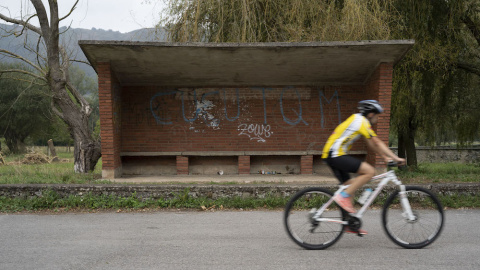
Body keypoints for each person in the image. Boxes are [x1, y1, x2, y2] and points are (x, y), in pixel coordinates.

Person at [321, 100, 405, 234]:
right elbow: (377, 141)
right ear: (371, 114)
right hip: (335, 154)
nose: (377, 119)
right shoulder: (361, 122)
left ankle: (348, 223)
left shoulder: (359, 121)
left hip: (332, 154)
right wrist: (396, 158)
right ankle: (343, 197)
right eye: (377, 116)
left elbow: (371, 144)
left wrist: (384, 157)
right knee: (369, 171)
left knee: (350, 186)